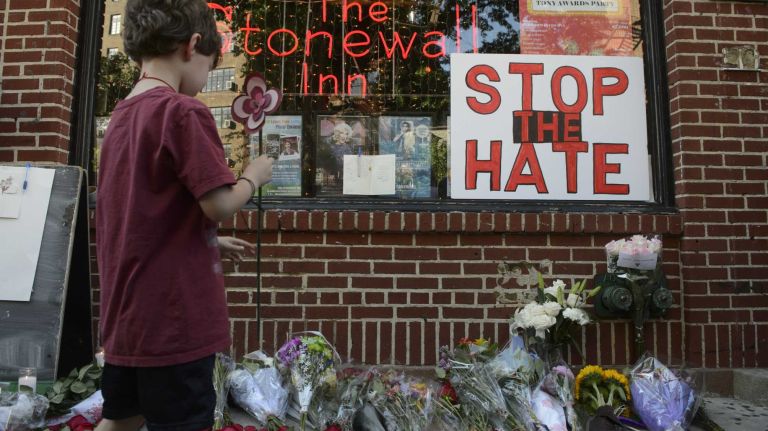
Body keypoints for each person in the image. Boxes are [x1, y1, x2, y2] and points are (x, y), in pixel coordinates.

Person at [94, 1, 273, 430]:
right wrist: (252, 177)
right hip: (175, 324)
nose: (203, 81)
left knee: (122, 418)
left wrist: (205, 239)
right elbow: (218, 203)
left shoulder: (120, 118)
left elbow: (145, 217)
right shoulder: (182, 111)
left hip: (128, 319)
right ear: (192, 46)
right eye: (210, 67)